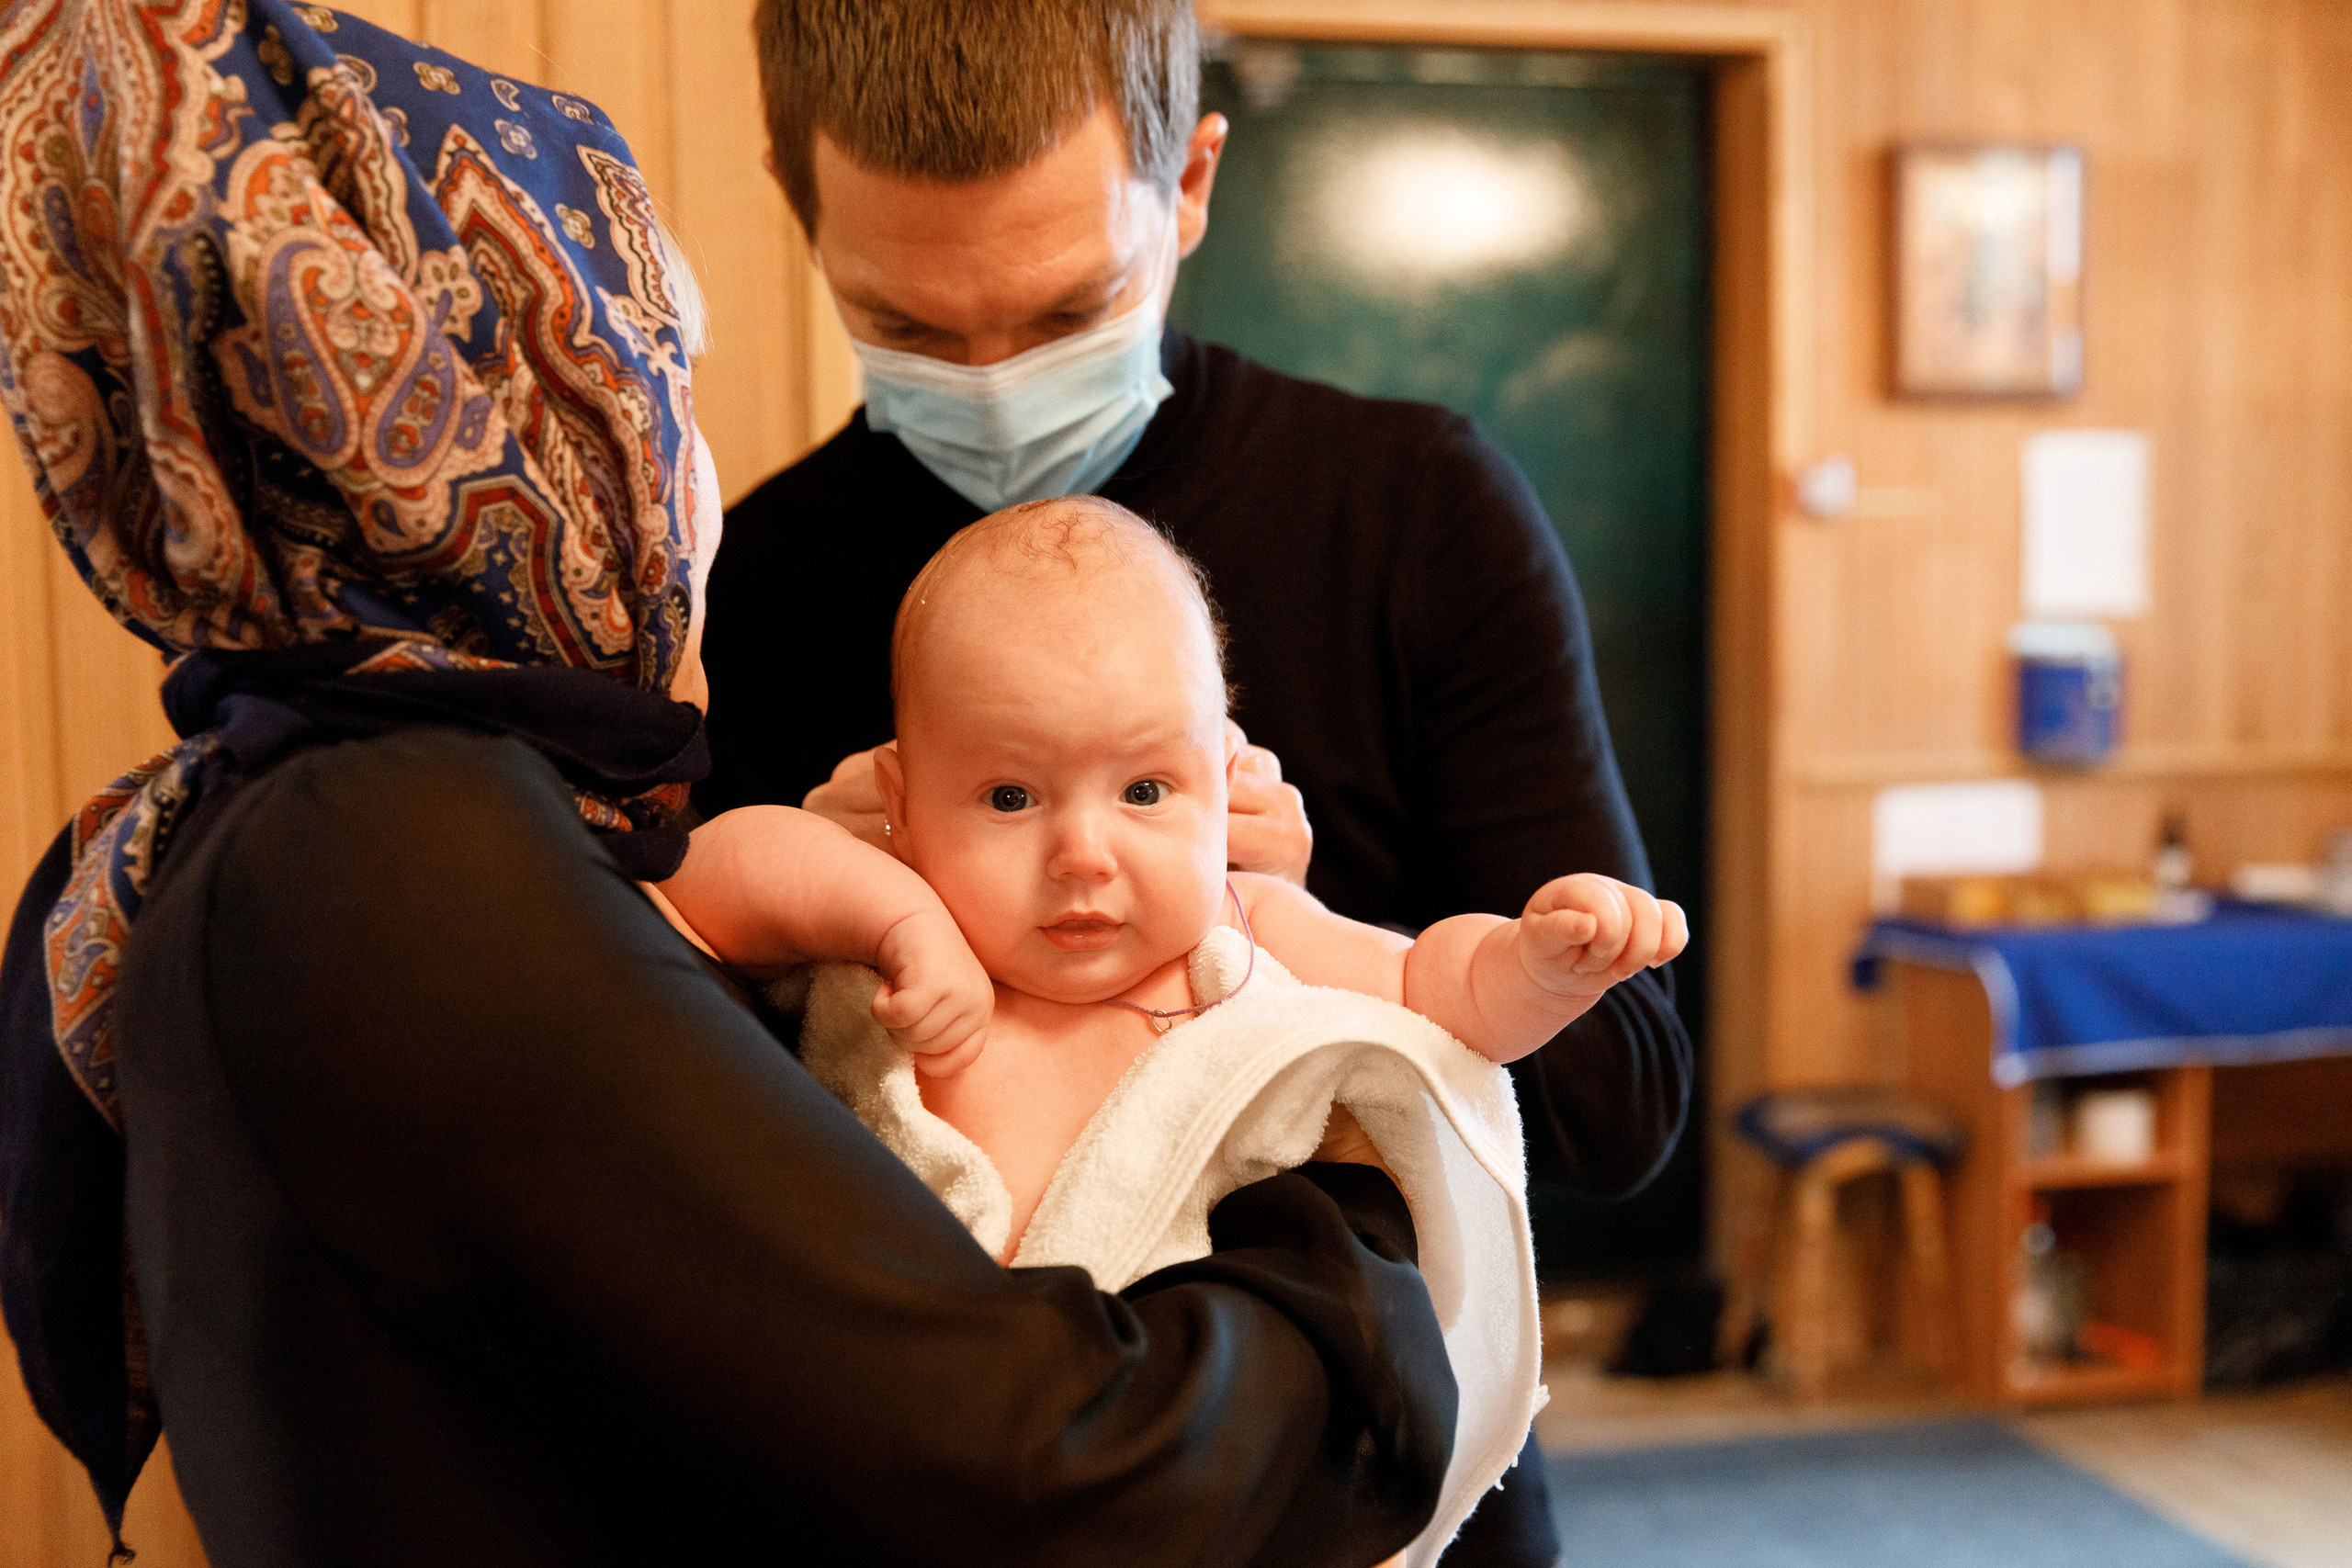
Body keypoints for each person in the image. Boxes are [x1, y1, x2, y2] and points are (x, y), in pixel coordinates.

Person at [0, 6, 1458, 1565]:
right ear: (548, 411)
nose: (690, 460)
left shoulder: (342, 812)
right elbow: (1054, 1466)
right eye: (667, 379)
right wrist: (1350, 1231)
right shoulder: (412, 852)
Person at [702, 5, 1699, 1560]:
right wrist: (788, 922)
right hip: (958, 1479)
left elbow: (1623, 1093)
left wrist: (1273, 929)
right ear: (796, 199)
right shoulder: (760, 573)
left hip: (1365, 1484)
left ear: (1192, 182)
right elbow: (718, 1130)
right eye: (904, 325)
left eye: (1064, 311)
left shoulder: (1415, 510)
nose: (989, 382)